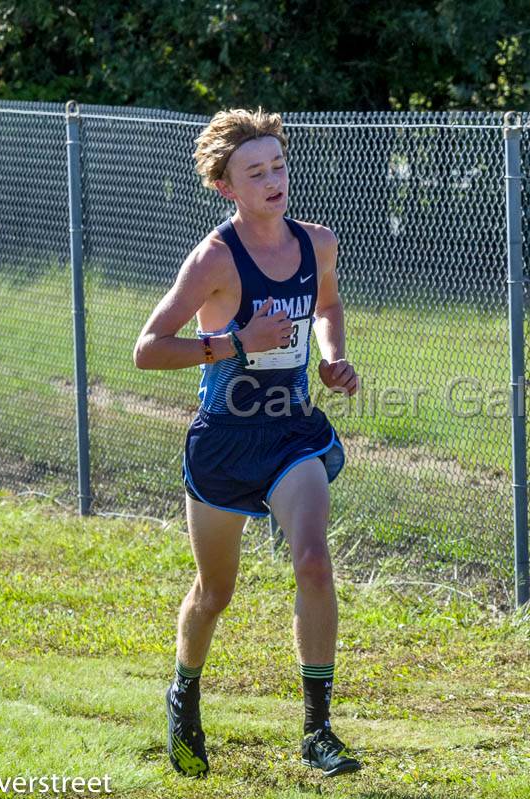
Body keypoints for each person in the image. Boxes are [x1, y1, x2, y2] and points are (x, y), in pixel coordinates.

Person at [133, 107, 361, 779]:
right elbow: (147, 350)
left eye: (279, 166)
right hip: (226, 440)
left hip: (292, 431)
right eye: (255, 172)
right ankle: (184, 693)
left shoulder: (317, 242)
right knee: (214, 592)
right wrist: (235, 342)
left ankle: (318, 729)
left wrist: (332, 356)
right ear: (227, 185)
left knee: (315, 561)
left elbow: (326, 305)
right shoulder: (213, 259)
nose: (273, 180)